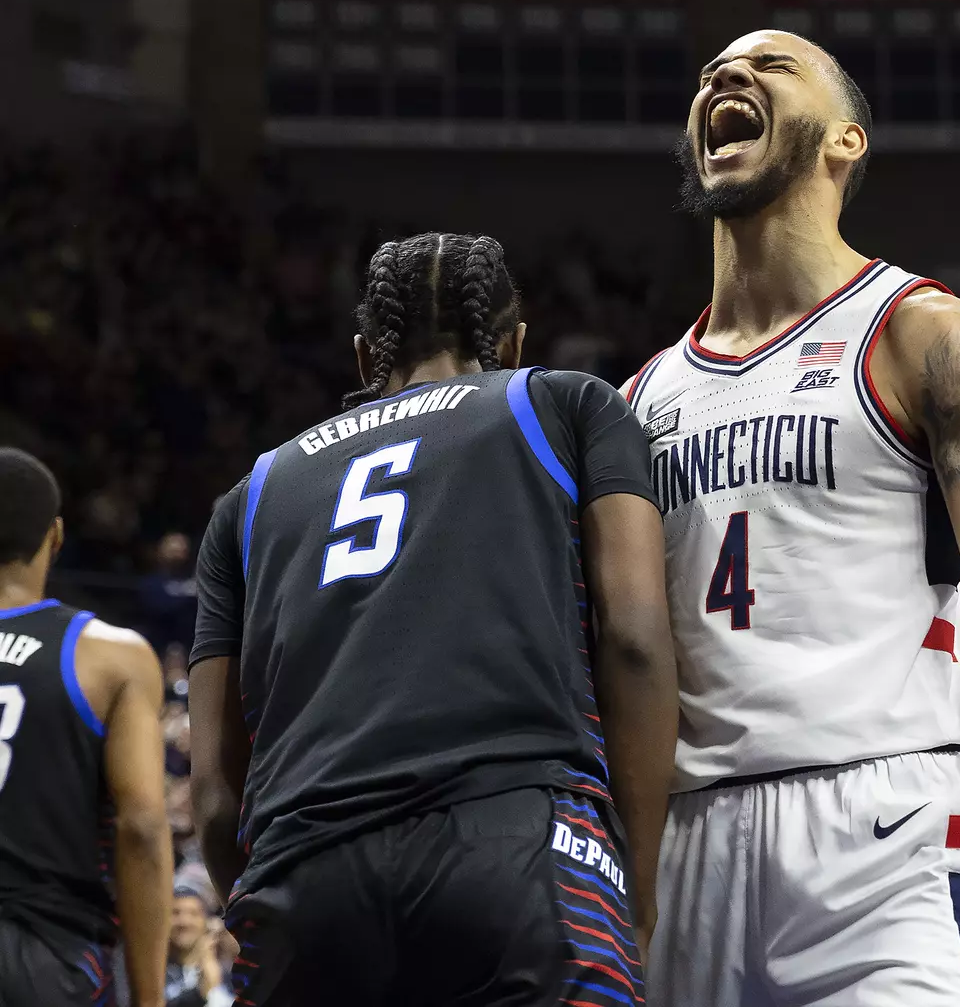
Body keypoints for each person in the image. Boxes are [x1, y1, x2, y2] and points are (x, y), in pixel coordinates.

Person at [628, 29, 960, 1006]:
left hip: (884, 834)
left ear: (845, 141)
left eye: (771, 66)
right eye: (711, 72)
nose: (727, 77)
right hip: (689, 840)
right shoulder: (639, 398)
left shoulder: (927, 335)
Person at [188, 234, 677, 1006]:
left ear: (362, 358)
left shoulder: (247, 498)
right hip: (515, 842)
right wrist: (639, 889)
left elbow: (215, 794)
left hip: (302, 885)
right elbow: (637, 642)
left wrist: (263, 905)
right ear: (514, 344)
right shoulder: (563, 402)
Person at [0, 448, 172, 1007]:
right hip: (42, 953)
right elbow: (142, 826)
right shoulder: (108, 656)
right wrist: (149, 997)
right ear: (55, 536)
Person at [165, 888, 231, 1007]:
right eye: (175, 913)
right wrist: (199, 993)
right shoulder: (155, 976)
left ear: (206, 922)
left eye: (193, 913)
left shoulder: (228, 974)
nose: (184, 922)